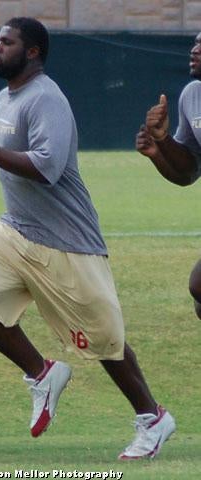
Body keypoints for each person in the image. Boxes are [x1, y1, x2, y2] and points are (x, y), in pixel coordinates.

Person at [0, 16, 175, 460]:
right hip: (16, 228)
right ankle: (42, 373)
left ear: (33, 51)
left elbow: (48, 168)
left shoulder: (46, 98)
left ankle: (152, 418)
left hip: (67, 241)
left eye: (7, 42)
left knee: (107, 344)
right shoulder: (4, 96)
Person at [136, 32, 201, 319]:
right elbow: (187, 172)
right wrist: (160, 143)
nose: (194, 49)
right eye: (195, 42)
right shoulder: (193, 95)